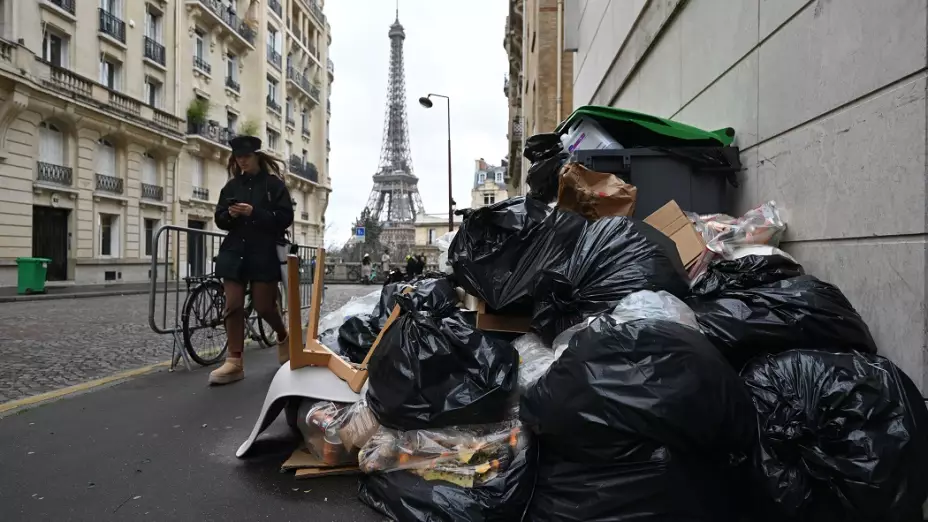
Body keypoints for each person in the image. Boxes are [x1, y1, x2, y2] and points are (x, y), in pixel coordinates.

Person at [210, 135, 293, 385]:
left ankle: (282, 334)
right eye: (238, 157)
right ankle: (234, 361)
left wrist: (254, 212)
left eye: (246, 156)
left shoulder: (273, 185)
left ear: (257, 156)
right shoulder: (231, 187)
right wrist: (231, 215)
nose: (242, 161)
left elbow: (284, 217)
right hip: (235, 250)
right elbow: (219, 218)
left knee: (264, 306)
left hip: (263, 251)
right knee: (233, 305)